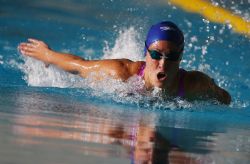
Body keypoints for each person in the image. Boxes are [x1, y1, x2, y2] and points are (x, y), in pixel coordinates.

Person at [18, 21, 231, 104]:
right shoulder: (121, 73)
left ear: (181, 57)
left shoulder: (196, 84)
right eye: (156, 55)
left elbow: (226, 99)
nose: (162, 64)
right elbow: (79, 65)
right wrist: (47, 55)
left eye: (172, 57)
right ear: (145, 53)